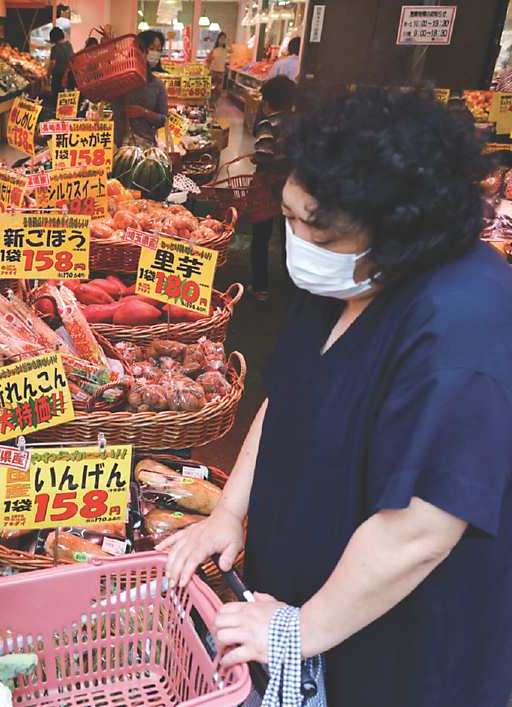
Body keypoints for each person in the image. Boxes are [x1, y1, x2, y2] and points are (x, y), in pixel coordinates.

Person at [162, 88, 512, 706]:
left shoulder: (463, 327)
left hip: (402, 626)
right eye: (289, 215)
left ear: (394, 230)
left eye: (309, 225)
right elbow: (287, 396)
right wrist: (228, 511)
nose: (292, 237)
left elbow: (422, 529)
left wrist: (304, 629)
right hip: (308, 587)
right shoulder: (343, 275)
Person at [248, 75, 296, 301]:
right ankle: (293, 284)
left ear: (266, 103)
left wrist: (255, 159)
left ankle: (260, 288)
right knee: (290, 237)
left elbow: (264, 154)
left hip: (267, 187)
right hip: (292, 187)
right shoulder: (298, 122)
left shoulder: (267, 125)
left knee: (261, 237)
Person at [112, 30, 167, 147]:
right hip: (117, 144)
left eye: (158, 49)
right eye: (151, 48)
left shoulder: (157, 85)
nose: (155, 53)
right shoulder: (121, 80)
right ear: (138, 49)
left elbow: (163, 119)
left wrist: (144, 112)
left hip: (145, 146)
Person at [48, 26, 74, 96]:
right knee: (66, 98)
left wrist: (48, 75)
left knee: (56, 98)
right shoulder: (69, 45)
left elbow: (52, 63)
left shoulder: (55, 48)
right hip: (69, 76)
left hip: (58, 77)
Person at [207, 31, 230, 104]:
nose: (222, 40)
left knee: (219, 90)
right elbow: (209, 58)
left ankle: (214, 102)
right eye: (221, 38)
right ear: (218, 39)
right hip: (213, 70)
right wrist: (210, 57)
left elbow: (232, 50)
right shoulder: (214, 49)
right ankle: (210, 102)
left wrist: (228, 42)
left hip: (221, 71)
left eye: (224, 39)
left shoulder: (226, 48)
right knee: (210, 88)